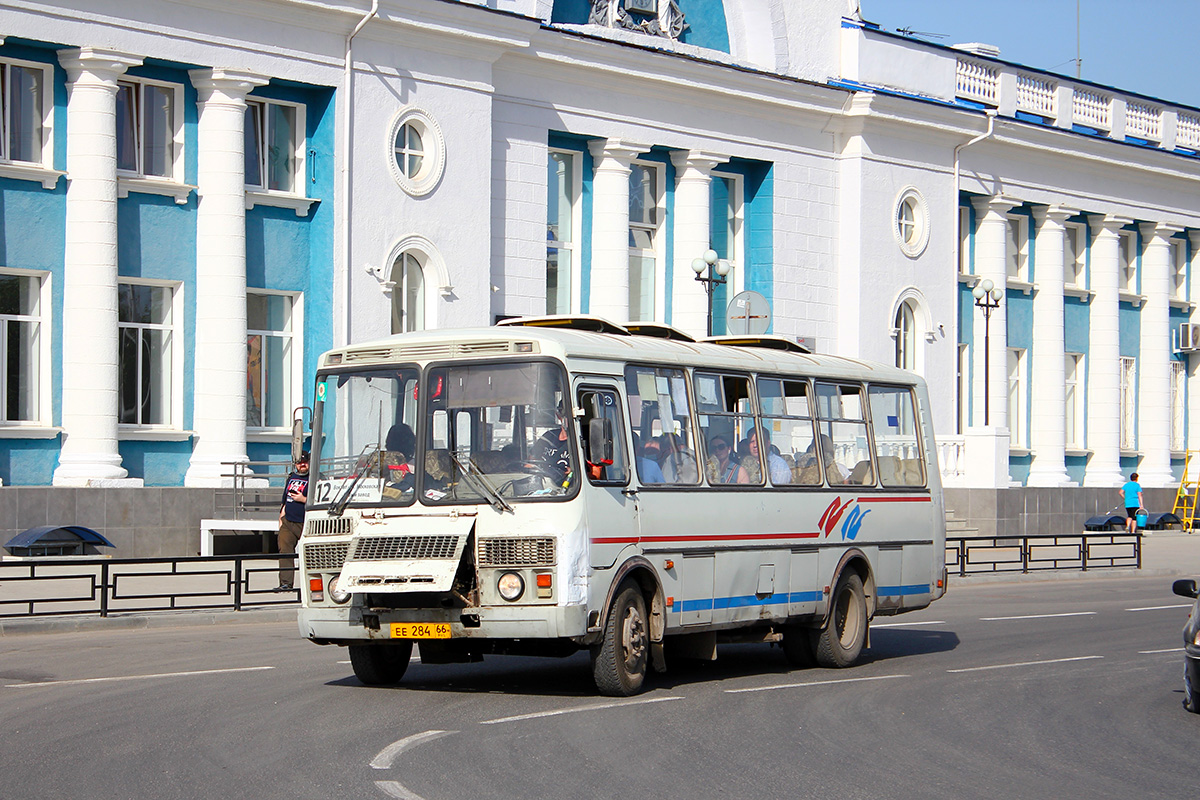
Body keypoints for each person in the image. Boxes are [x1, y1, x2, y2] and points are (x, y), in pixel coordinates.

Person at [277, 450, 309, 591]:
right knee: (285, 551)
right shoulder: (291, 477)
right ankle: (285, 583)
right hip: (288, 521)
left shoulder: (315, 478)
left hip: (306, 523)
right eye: (299, 463)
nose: (301, 465)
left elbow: (321, 500)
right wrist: (281, 517)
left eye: (304, 462)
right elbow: (285, 500)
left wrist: (303, 499)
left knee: (309, 555)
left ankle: (311, 585)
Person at [531, 406, 573, 488]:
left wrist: (575, 473)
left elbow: (595, 474)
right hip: (542, 487)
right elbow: (530, 463)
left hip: (570, 491)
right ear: (558, 416)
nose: (568, 419)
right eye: (565, 415)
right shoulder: (549, 436)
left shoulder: (583, 441)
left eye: (570, 415)